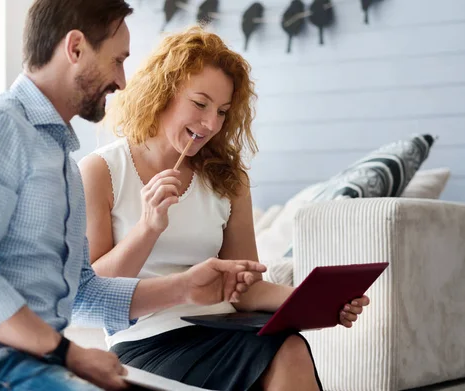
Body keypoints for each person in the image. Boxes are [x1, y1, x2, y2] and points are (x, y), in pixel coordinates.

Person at [0, 2, 267, 391]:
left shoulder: (61, 163)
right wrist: (68, 354)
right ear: (75, 49)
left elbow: (82, 293)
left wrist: (184, 287)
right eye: (117, 60)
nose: (123, 82)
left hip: (34, 367)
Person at [79, 26, 370, 391]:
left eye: (222, 111)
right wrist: (148, 227)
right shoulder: (102, 171)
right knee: (285, 352)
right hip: (146, 342)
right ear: (162, 92)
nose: (211, 124)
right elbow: (92, 292)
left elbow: (246, 290)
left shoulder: (228, 180)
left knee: (291, 345)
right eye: (200, 104)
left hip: (223, 326)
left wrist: (321, 302)